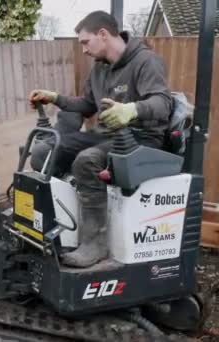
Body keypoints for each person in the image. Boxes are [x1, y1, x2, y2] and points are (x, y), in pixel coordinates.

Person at [28, 10, 172, 267]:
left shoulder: (146, 61)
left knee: (86, 161)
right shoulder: (99, 69)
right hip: (106, 136)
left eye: (85, 42)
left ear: (103, 34)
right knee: (43, 152)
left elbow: (163, 103)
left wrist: (132, 110)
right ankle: (66, 224)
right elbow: (87, 105)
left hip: (140, 140)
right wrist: (55, 98)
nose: (83, 49)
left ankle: (95, 244)